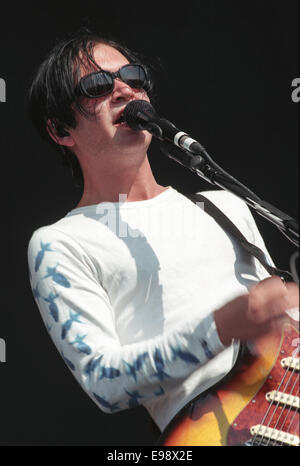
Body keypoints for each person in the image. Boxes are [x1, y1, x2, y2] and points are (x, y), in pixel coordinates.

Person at [27, 29, 299, 437]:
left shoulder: (225, 206)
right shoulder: (61, 243)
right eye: (97, 85)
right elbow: (104, 383)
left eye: (134, 78)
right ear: (60, 130)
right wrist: (220, 328)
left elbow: (284, 328)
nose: (124, 89)